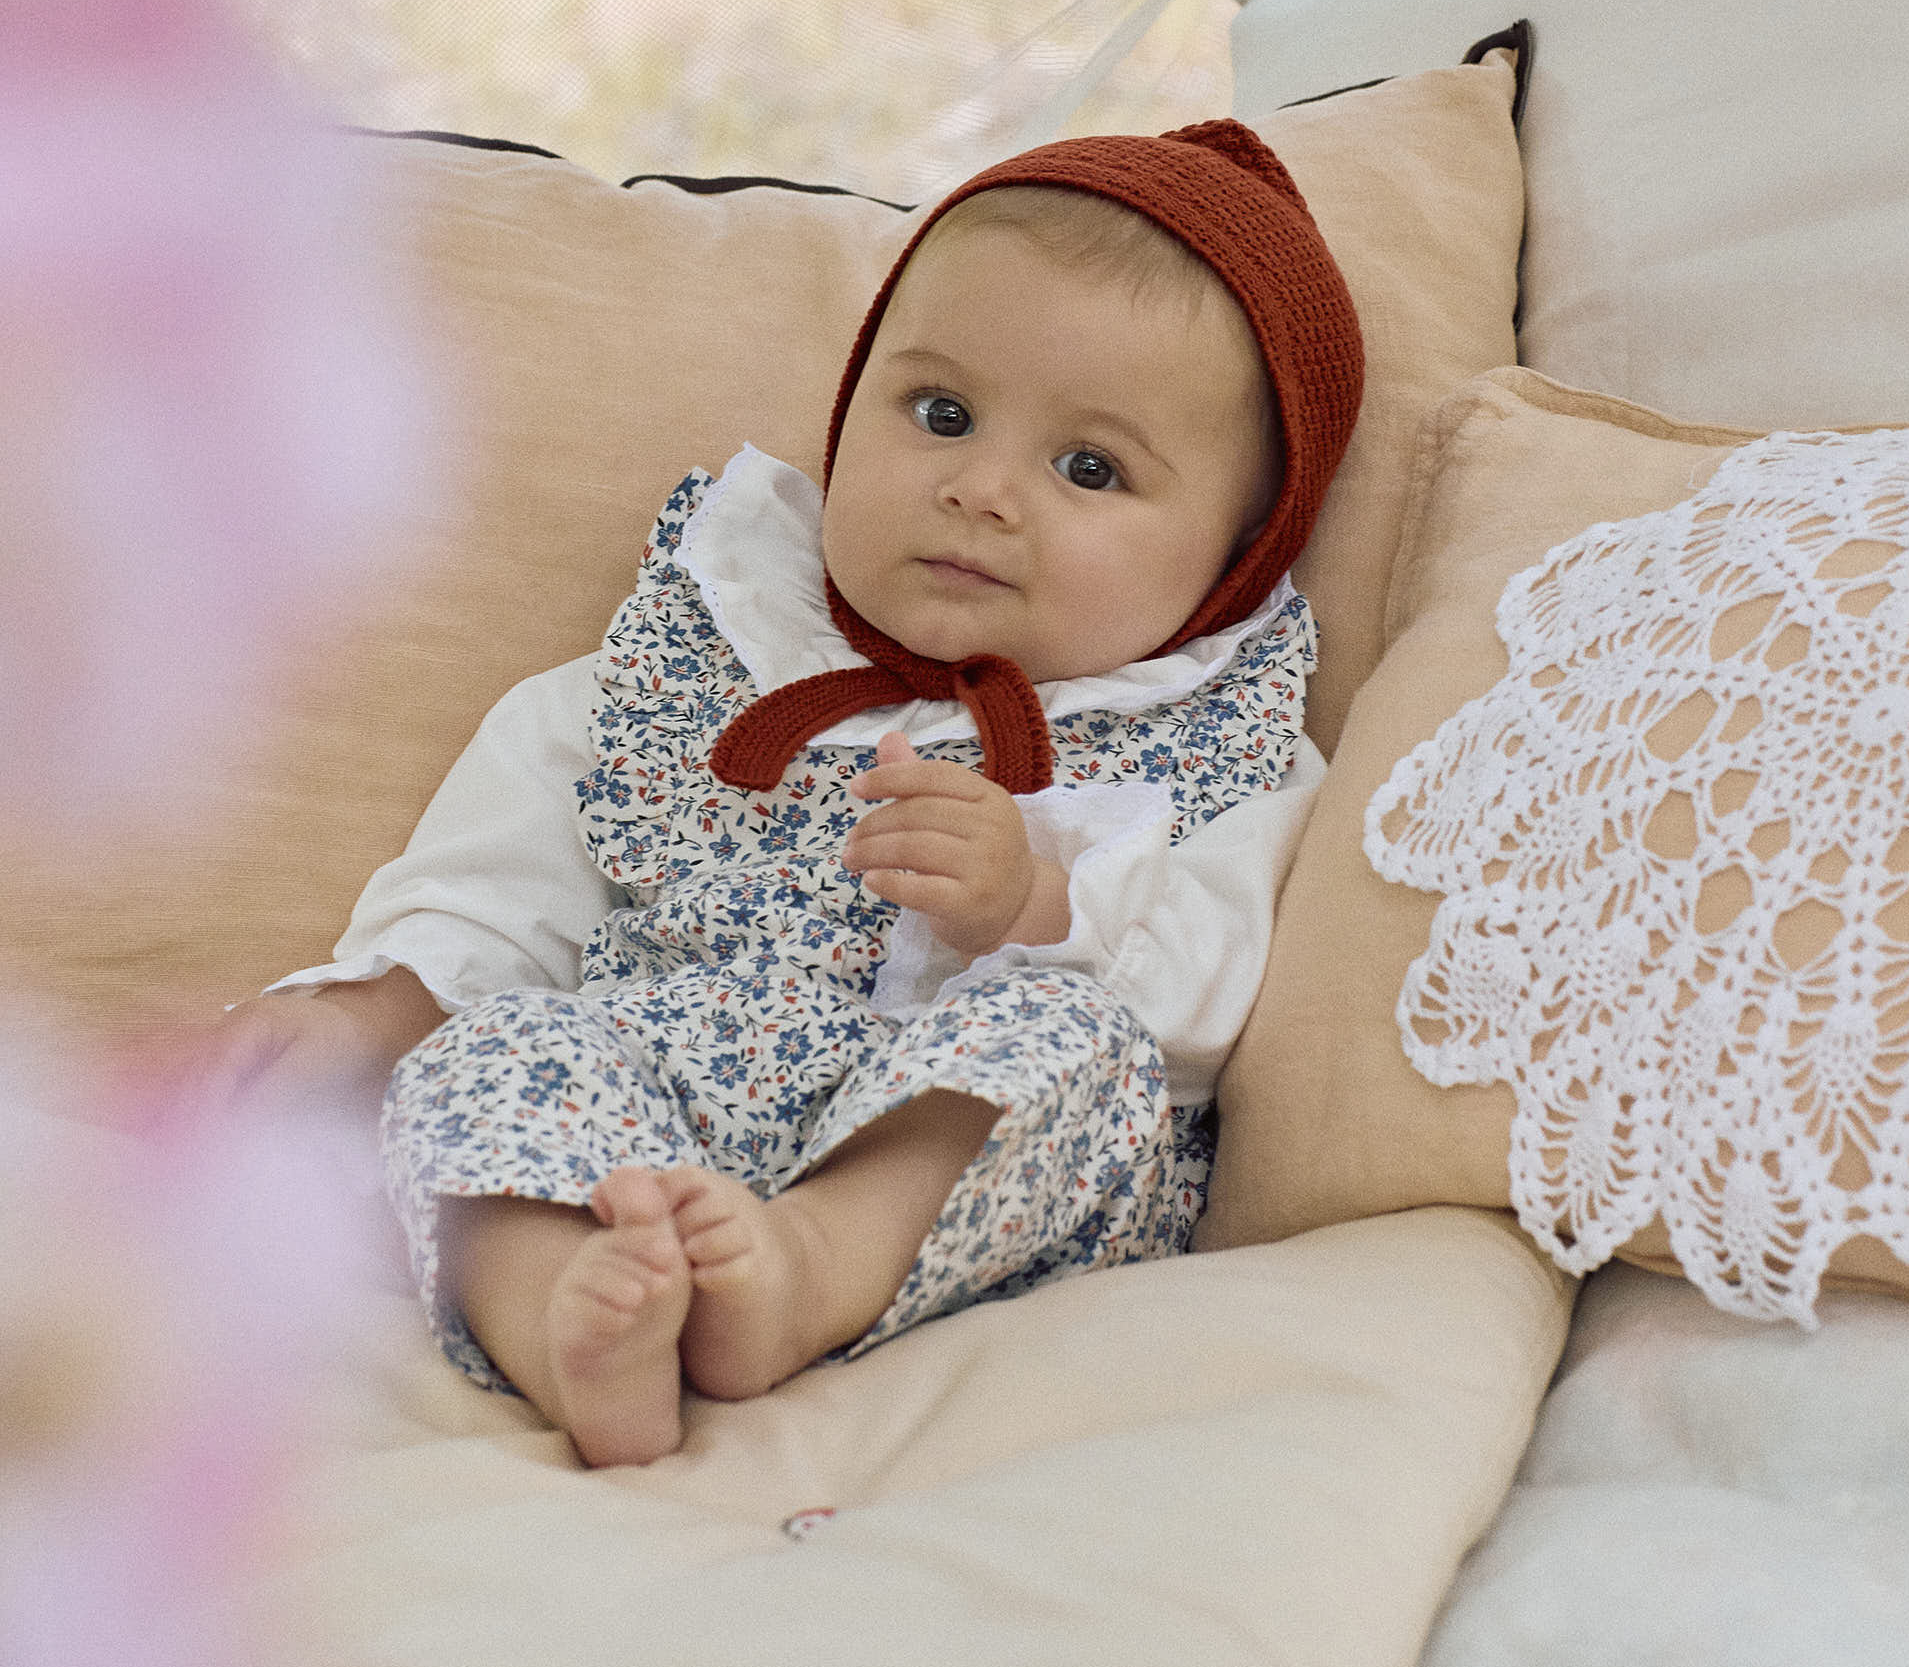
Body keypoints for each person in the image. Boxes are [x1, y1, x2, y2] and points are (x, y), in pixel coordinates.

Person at [244, 120, 1364, 1465]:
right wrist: (384, 998)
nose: (980, 489)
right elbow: (513, 875)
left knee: (1073, 1051)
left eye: (1090, 468)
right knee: (478, 1063)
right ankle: (565, 1308)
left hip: (942, 1150)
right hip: (657, 1084)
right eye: (940, 414)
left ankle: (803, 1268)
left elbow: (1225, 991)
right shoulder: (716, 646)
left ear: (1236, 556)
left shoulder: (1212, 740)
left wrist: (1036, 902)